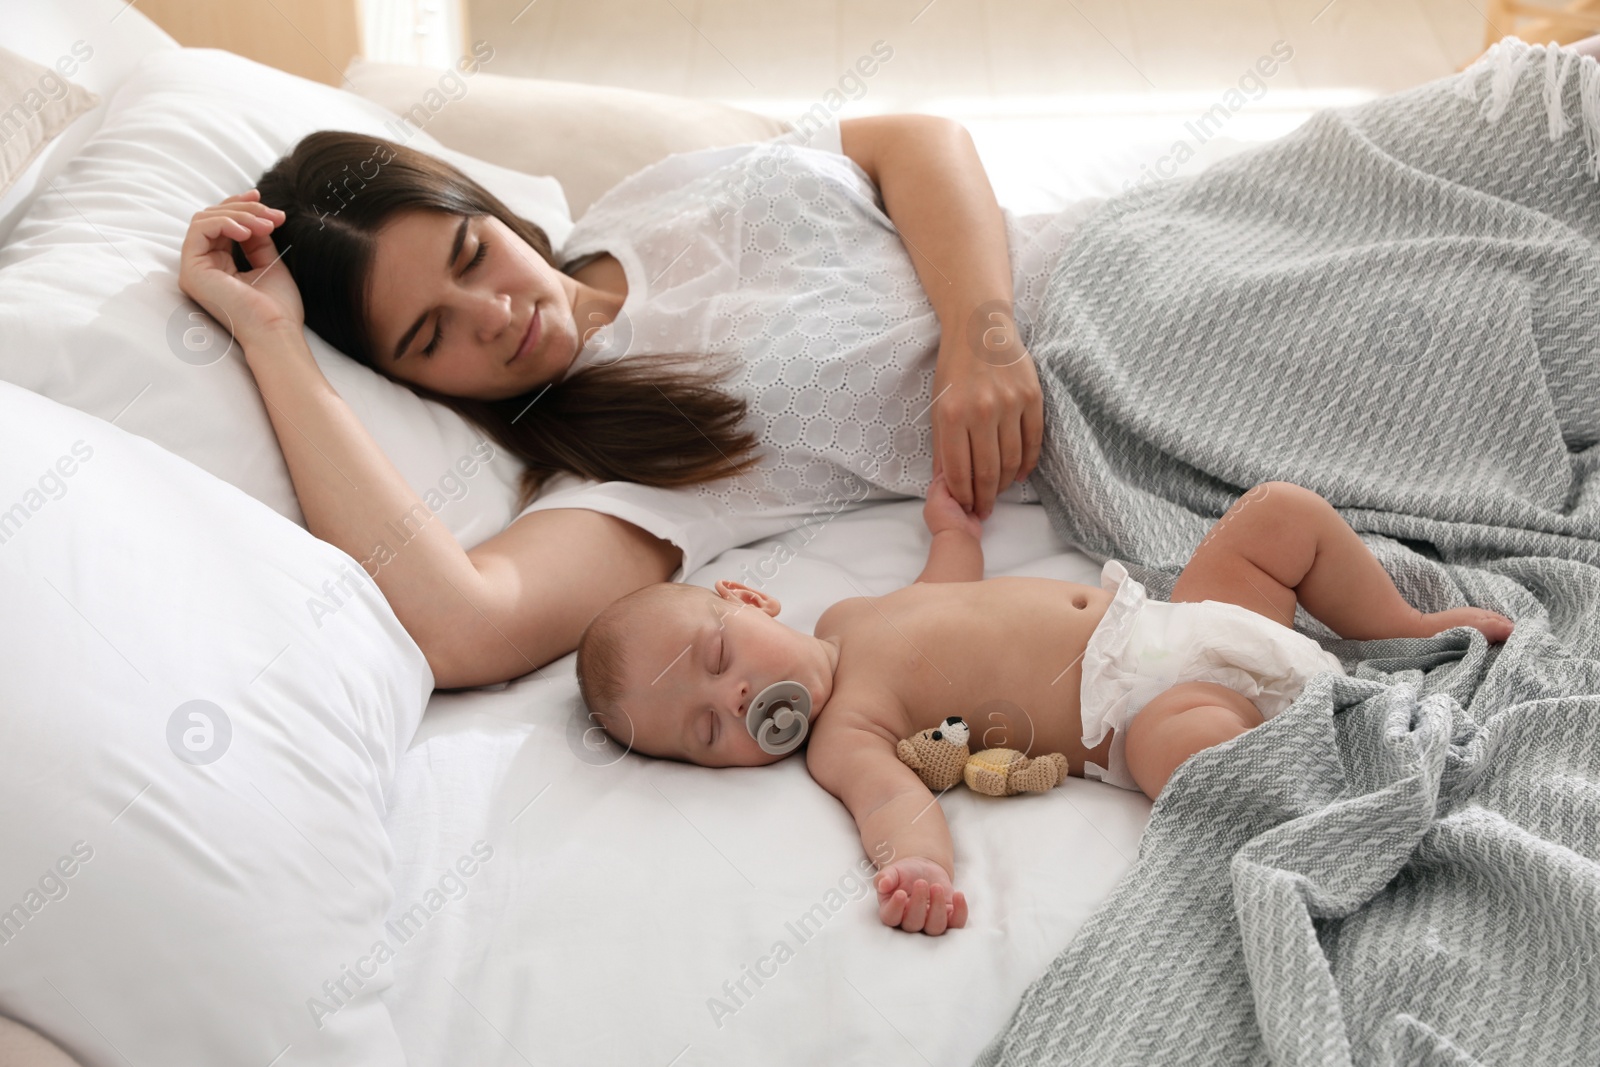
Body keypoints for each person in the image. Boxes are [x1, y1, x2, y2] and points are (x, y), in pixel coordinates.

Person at [177, 113, 1066, 690]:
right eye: (429, 336)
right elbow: (463, 626)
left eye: (470, 252)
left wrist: (982, 334)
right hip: (1106, 407)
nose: (494, 313)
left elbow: (909, 139)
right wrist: (273, 342)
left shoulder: (632, 208)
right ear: (409, 383)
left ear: (489, 211)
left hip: (1107, 255)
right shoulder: (630, 468)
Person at [571, 477, 1514, 935]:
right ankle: (1332, 787)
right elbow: (895, 807)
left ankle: (1401, 626)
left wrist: (951, 526)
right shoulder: (843, 733)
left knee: (1278, 514)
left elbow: (948, 584)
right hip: (1143, 701)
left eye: (719, 658)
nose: (736, 698)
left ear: (749, 600)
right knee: (1180, 757)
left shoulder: (852, 611)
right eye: (705, 730)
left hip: (1186, 617)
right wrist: (918, 875)